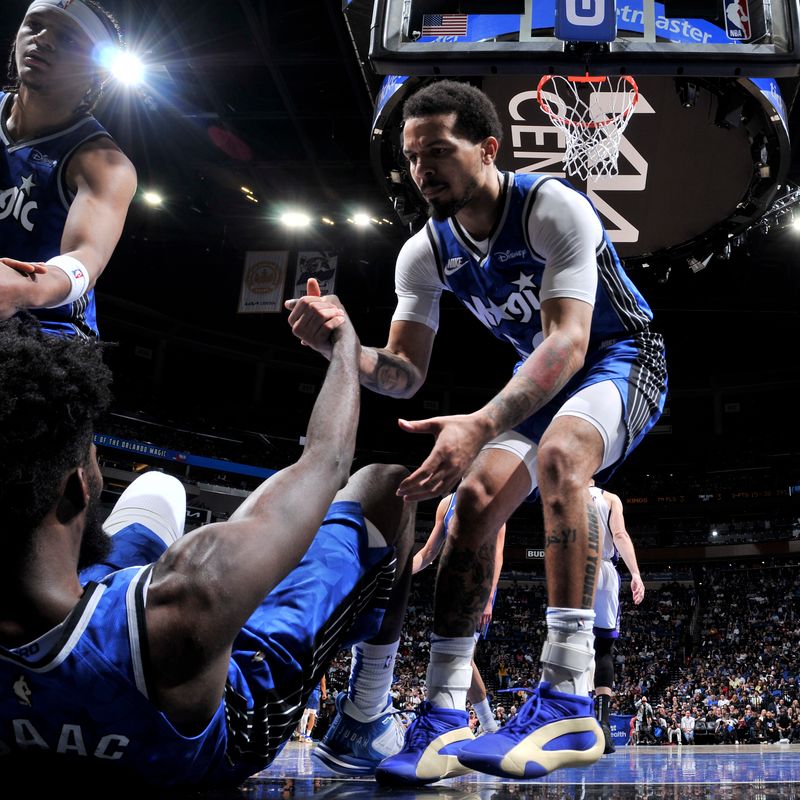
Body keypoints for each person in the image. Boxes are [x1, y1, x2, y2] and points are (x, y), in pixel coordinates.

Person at [286, 78, 668, 785]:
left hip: (620, 359)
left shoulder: (553, 207)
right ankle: (441, 711)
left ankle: (566, 694)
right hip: (542, 379)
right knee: (470, 503)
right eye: (411, 155)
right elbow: (402, 372)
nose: (421, 168)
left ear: (488, 149)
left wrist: (482, 422)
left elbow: (569, 344)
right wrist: (340, 345)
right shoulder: (423, 252)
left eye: (438, 150)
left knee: (560, 457)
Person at [0, 299, 414, 790]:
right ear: (78, 489)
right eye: (94, 460)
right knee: (387, 486)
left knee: (157, 486)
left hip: (116, 629)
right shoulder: (188, 597)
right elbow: (327, 461)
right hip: (229, 715)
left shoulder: (184, 593)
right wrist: (345, 343)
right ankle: (366, 714)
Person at [0, 0, 137, 337]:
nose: (43, 40)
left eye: (69, 39)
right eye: (34, 26)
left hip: (45, 331)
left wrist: (21, 289)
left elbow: (84, 261)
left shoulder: (103, 163)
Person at [411, 491, 506, 735]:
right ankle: (486, 726)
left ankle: (473, 724)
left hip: (477, 588)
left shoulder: (496, 501)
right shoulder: (447, 503)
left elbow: (497, 554)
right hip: (448, 587)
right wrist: (400, 572)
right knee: (459, 659)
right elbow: (428, 552)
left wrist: (488, 599)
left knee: (462, 659)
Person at [588, 480, 645, 754]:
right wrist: (636, 574)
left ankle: (570, 723)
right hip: (606, 571)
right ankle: (604, 726)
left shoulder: (562, 491)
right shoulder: (610, 498)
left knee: (570, 646)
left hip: (577, 567)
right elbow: (620, 534)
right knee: (603, 650)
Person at [297, 676, 327, 743]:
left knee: (305, 713)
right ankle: (307, 736)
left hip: (305, 692)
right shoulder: (321, 669)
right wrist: (324, 693)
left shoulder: (309, 666)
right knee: (312, 714)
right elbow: (323, 684)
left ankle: (302, 734)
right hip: (314, 693)